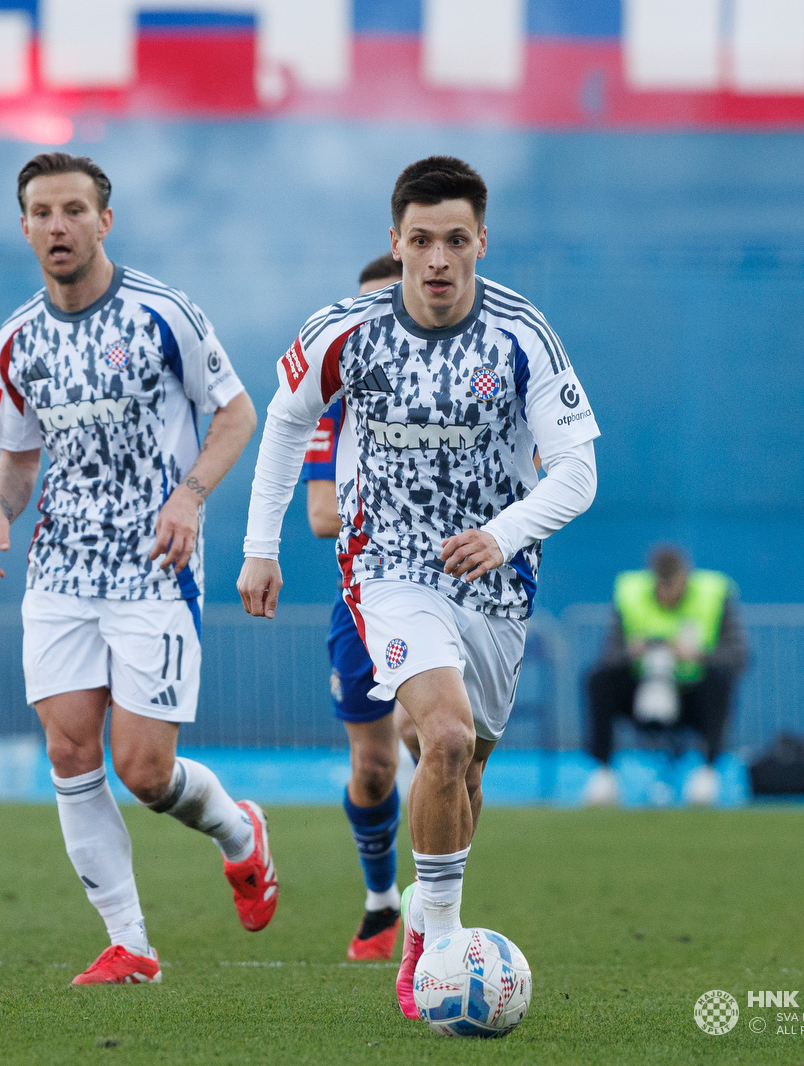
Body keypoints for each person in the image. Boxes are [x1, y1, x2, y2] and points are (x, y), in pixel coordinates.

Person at [238, 156, 599, 1019]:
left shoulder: (522, 335)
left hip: (498, 580)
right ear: (394, 242)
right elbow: (285, 424)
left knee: (468, 769)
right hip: (388, 568)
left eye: (457, 240)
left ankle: (430, 923)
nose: (439, 258)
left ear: (482, 243)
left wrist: (503, 533)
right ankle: (437, 947)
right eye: (422, 240)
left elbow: (578, 472)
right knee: (438, 738)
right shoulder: (345, 331)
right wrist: (261, 548)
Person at [0, 152, 271, 987]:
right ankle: (131, 943)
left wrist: (189, 497)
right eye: (42, 212)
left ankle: (240, 833)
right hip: (61, 571)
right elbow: (18, 456)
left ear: (105, 221)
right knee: (70, 750)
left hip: (153, 571)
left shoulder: (163, 313)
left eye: (74, 210)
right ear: (24, 225)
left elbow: (238, 412)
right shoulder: (16, 340)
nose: (58, 226)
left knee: (143, 771)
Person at [300, 253, 414, 961]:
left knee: (436, 740)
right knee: (374, 766)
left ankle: (438, 917)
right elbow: (318, 515)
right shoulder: (333, 405)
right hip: (364, 599)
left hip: (451, 594)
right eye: (365, 308)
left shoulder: (471, 391)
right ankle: (382, 901)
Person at [582, 545, 747, 807]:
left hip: (692, 696)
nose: (669, 592)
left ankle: (707, 773)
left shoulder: (714, 594)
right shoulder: (630, 593)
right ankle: (603, 773)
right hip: (641, 691)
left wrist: (697, 655)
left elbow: (739, 656)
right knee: (598, 679)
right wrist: (633, 652)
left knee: (720, 680)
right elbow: (608, 655)